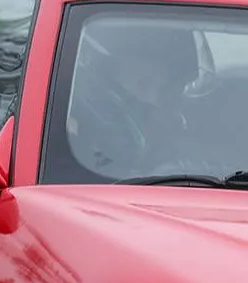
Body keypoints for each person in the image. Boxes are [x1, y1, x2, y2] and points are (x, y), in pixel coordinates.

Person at [67, 18, 202, 177]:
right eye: (142, 85)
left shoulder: (193, 158)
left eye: (162, 91)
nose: (150, 98)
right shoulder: (78, 127)